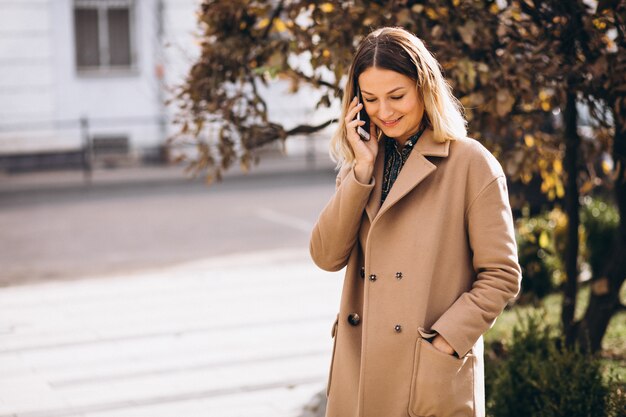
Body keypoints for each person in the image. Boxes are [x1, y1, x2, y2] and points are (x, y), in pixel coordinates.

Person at [309, 27, 522, 417]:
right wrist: (360, 171)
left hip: (426, 373)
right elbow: (325, 256)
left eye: (397, 96)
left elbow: (501, 275)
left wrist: (445, 341)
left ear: (425, 88)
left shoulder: (471, 164)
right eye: (370, 99)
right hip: (359, 372)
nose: (384, 112)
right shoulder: (362, 165)